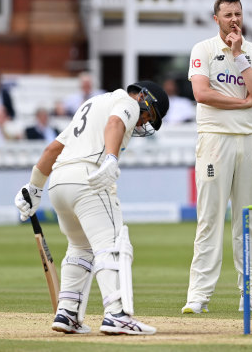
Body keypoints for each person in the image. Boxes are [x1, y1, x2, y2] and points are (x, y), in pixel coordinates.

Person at [14, 81, 169, 335]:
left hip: (59, 184)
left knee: (80, 247)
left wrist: (34, 187)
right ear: (142, 97)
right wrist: (111, 157)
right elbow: (115, 123)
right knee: (114, 243)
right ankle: (117, 314)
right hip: (88, 179)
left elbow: (54, 148)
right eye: (148, 114)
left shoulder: (92, 103)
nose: (143, 123)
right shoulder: (128, 102)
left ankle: (67, 313)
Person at [181, 0, 252, 314]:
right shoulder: (203, 49)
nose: (234, 19)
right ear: (216, 19)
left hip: (248, 140)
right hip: (214, 140)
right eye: (228, 14)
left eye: (238, 14)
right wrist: (242, 103)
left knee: (249, 220)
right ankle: (198, 295)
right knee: (210, 219)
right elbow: (201, 94)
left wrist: (239, 56)